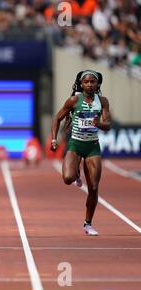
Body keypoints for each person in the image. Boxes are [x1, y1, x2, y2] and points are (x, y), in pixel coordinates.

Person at [51, 70, 111, 236]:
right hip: (75, 144)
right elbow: (57, 118)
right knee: (68, 179)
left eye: (93, 82)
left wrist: (100, 124)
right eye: (87, 82)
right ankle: (76, 172)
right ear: (81, 84)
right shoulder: (74, 100)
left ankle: (88, 224)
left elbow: (108, 125)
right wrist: (54, 140)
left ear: (98, 84)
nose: (90, 84)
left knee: (93, 187)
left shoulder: (103, 101)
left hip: (92, 147)